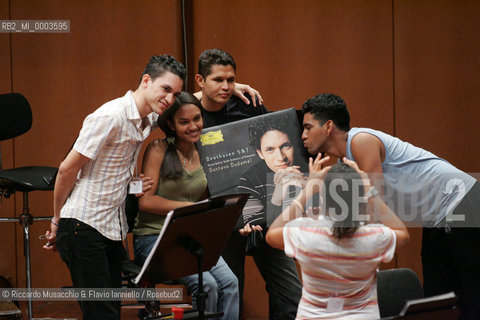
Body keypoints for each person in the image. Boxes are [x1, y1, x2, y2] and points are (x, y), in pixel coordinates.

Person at [300, 93, 480, 320]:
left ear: (328, 127)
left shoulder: (360, 141)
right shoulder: (343, 163)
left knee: (472, 295)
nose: (303, 135)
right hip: (436, 217)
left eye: (307, 127)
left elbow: (374, 205)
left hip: (461, 199)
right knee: (438, 298)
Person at [43, 54, 186, 320]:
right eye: (166, 89)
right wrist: (56, 221)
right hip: (82, 227)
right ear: (146, 81)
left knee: (108, 313)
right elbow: (67, 169)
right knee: (102, 314)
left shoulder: (147, 118)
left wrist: (233, 88)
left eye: (175, 94)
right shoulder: (111, 116)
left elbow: (196, 99)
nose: (170, 99)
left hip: (110, 228)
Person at [195, 48, 302, 319]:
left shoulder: (248, 102)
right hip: (224, 218)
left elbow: (281, 133)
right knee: (231, 294)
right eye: (218, 80)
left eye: (231, 80)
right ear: (200, 81)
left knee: (291, 295)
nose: (226, 86)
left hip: (268, 210)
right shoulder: (190, 113)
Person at [133, 92, 239, 319]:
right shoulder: (158, 149)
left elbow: (219, 197)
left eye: (197, 119)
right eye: (184, 122)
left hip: (192, 236)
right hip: (154, 237)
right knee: (207, 285)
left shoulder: (207, 150)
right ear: (170, 124)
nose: (193, 126)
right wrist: (191, 207)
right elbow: (146, 201)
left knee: (231, 282)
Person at [265, 157, 410, 319]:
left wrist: (307, 190)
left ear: (323, 198)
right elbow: (403, 235)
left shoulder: (305, 233)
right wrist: (369, 190)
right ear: (360, 200)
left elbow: (272, 235)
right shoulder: (373, 237)